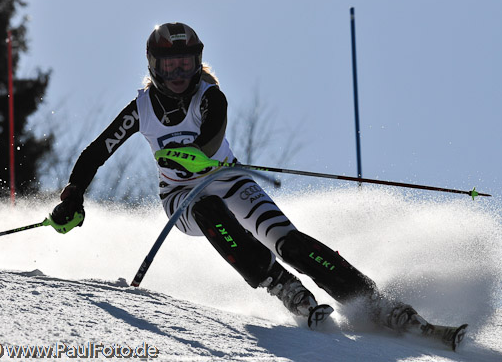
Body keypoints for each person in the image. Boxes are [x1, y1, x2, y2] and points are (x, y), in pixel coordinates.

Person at [49, 22, 428, 333]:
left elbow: (212, 133)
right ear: (153, 66)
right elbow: (97, 150)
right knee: (207, 207)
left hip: (230, 180)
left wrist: (197, 154)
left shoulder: (211, 95)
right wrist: (73, 196)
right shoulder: (142, 107)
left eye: (185, 64)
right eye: (170, 66)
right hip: (181, 196)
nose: (179, 74)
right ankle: (280, 284)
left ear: (198, 62)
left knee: (289, 242)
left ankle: (373, 303)